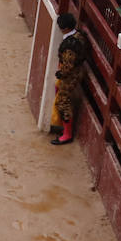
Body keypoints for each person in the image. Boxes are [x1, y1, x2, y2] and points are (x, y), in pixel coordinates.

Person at [49, 12, 89, 145]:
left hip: (71, 76)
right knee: (62, 99)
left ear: (64, 28)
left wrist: (60, 73)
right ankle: (65, 131)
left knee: (63, 102)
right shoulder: (78, 35)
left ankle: (67, 134)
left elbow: (68, 65)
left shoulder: (70, 44)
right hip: (76, 71)